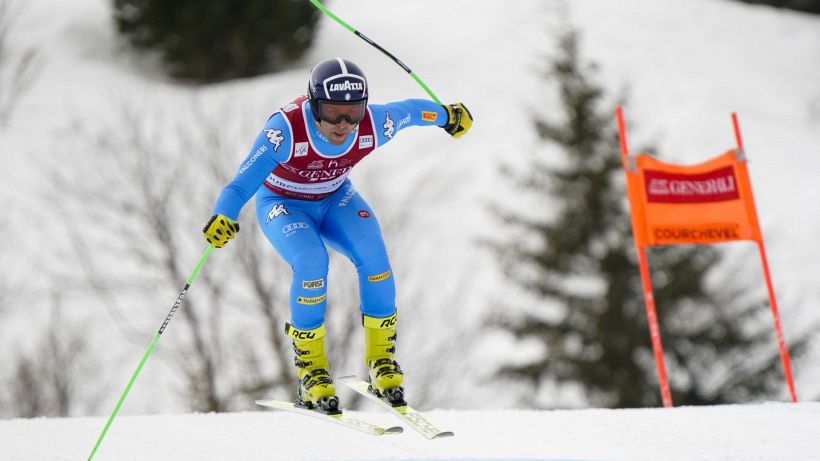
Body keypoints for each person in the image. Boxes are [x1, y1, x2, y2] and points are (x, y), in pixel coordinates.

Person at [202, 57, 472, 414]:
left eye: (353, 112)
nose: (343, 124)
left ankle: (381, 363)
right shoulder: (285, 129)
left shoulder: (372, 124)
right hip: (283, 204)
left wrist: (447, 116)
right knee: (313, 263)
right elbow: (239, 186)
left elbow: (408, 112)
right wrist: (224, 215)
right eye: (332, 112)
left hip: (334, 198)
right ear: (314, 104)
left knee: (375, 258)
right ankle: (311, 371)